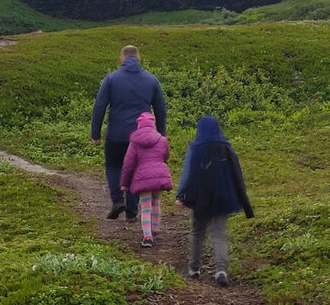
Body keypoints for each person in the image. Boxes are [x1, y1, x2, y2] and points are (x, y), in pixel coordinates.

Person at [175, 115, 254, 286]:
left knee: (197, 233)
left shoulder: (197, 148)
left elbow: (189, 173)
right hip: (224, 198)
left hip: (201, 199)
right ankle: (221, 271)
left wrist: (182, 196)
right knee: (219, 234)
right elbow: (237, 175)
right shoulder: (227, 148)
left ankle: (194, 270)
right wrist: (243, 200)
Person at [91, 45, 167, 221]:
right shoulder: (151, 79)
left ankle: (117, 200)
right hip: (140, 135)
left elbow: (99, 107)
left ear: (121, 58)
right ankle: (132, 212)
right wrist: (161, 133)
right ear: (138, 58)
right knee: (134, 170)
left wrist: (95, 133)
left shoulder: (111, 79)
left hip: (116, 134)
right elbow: (161, 108)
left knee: (113, 166)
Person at [120, 112, 173, 247]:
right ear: (153, 125)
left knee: (145, 207)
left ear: (139, 126)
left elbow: (128, 164)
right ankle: (155, 229)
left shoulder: (135, 142)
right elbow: (165, 155)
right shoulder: (162, 140)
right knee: (156, 202)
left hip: (143, 177)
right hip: (159, 175)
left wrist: (124, 184)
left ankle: (147, 237)